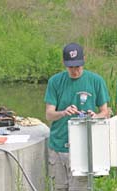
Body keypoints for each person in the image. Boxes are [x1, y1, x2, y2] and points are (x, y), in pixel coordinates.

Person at [44, 42, 110, 191]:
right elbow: (49, 114)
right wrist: (62, 112)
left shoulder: (96, 81)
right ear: (64, 63)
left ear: (84, 60)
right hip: (59, 146)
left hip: (83, 147)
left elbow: (105, 112)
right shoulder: (55, 81)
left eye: (78, 66)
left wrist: (96, 116)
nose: (74, 71)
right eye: (71, 67)